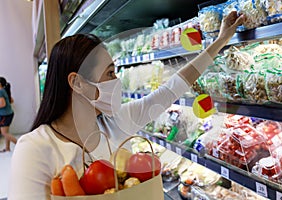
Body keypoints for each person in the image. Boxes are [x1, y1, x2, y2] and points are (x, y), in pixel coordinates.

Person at [9, 11, 244, 199]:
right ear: (77, 83)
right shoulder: (35, 149)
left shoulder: (115, 123)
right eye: (110, 73)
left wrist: (220, 41)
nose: (117, 82)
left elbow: (173, 87)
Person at [0, 77, 17, 152]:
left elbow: (2, 104)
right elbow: (11, 100)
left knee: (4, 133)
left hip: (5, 115)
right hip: (9, 113)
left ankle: (20, 144)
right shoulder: (4, 90)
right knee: (6, 132)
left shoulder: (0, 92)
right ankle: (7, 148)